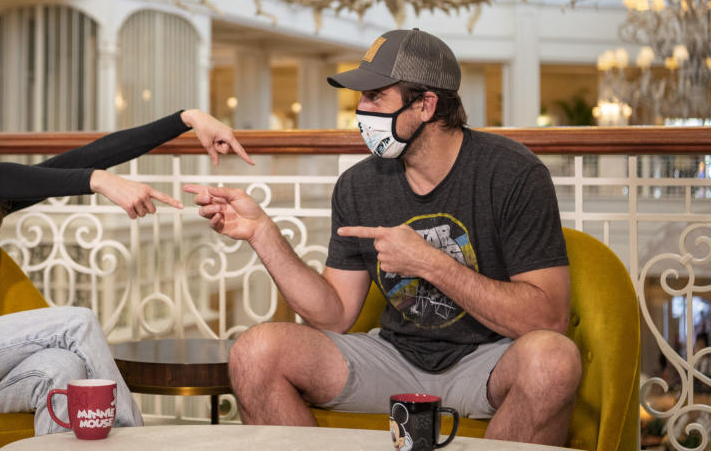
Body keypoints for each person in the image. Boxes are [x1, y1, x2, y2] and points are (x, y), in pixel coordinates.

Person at [0, 16, 253, 436]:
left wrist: (184, 119)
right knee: (72, 322)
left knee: (60, 369)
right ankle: (140, 444)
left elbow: (78, 158)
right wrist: (96, 181)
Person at [185, 28, 582, 445]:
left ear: (426, 105)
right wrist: (262, 233)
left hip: (488, 361)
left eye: (375, 97)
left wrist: (429, 262)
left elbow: (549, 319)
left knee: (553, 360)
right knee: (255, 351)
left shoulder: (512, 174)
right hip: (393, 357)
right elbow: (334, 314)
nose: (360, 110)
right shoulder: (359, 184)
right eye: (361, 97)